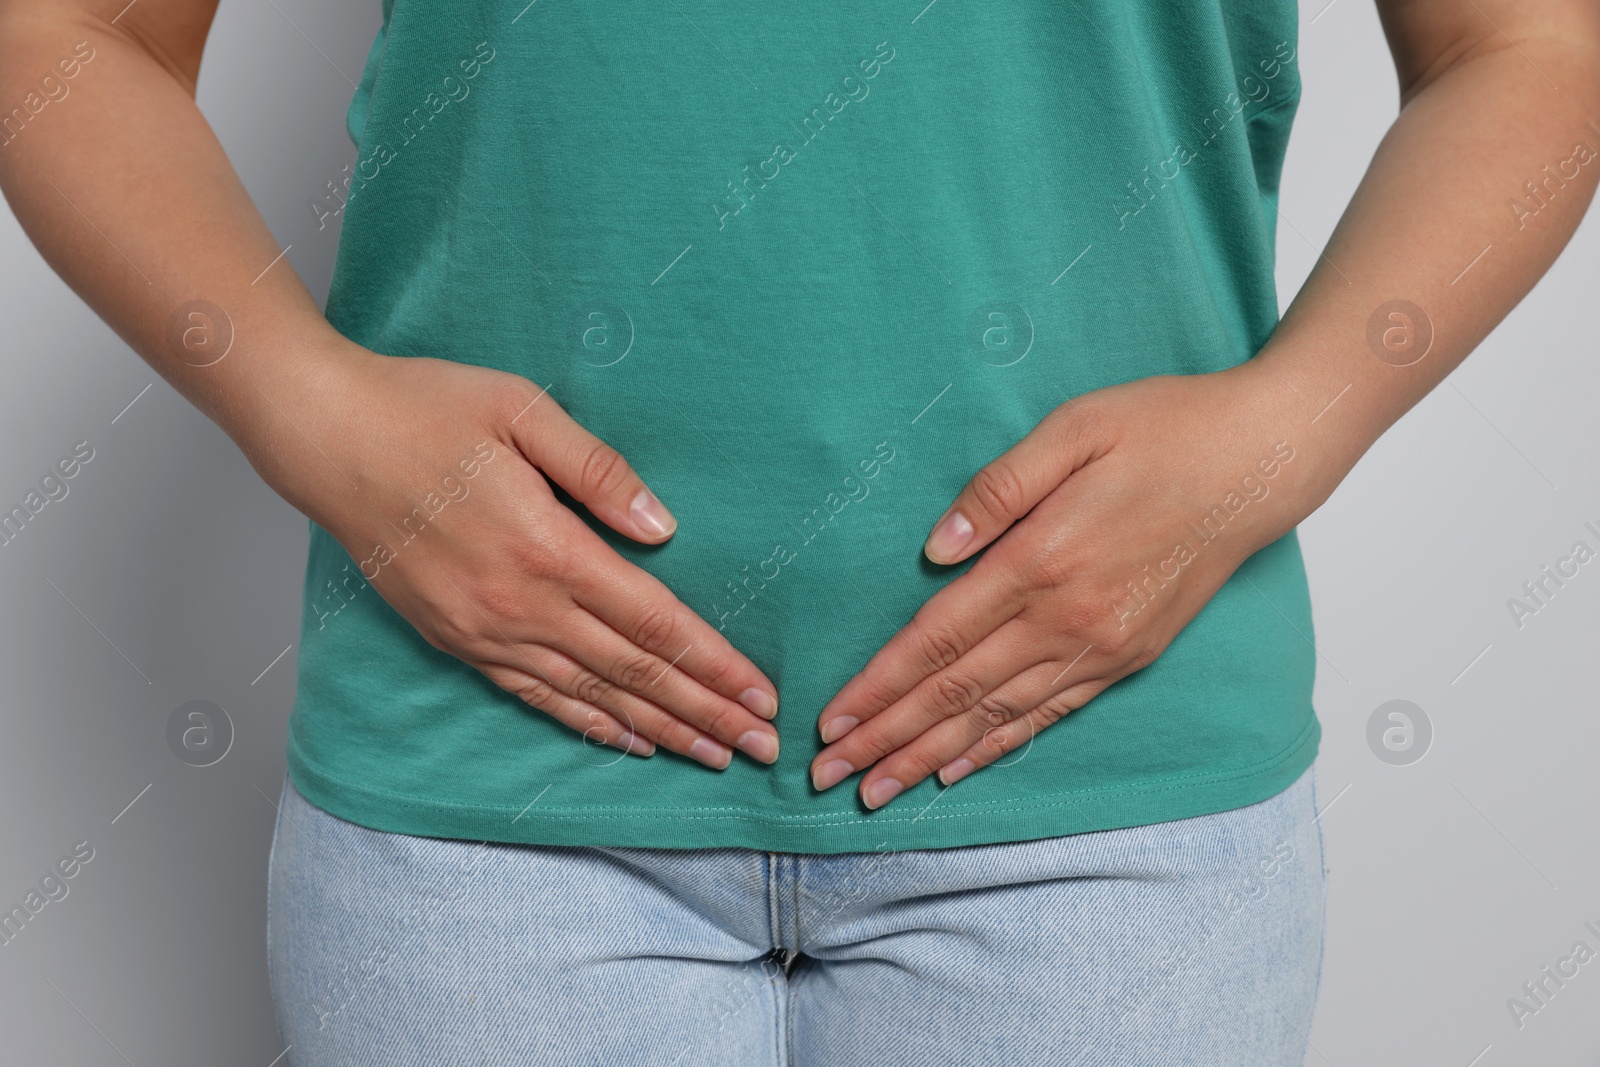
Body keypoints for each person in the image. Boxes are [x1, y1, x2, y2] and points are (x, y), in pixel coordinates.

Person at [2, 0, 1596, 1062]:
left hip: (1106, 794)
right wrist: (307, 408)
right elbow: (71, 41)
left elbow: (1527, 48)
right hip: (489, 796)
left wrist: (1291, 430)